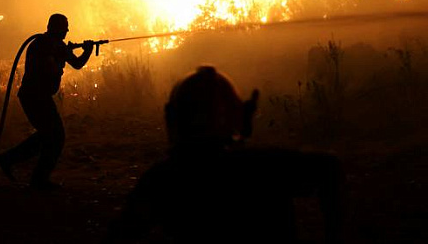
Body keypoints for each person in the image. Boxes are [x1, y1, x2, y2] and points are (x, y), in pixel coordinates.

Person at [105, 66, 344, 243]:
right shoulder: (265, 166)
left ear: (173, 118)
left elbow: (123, 232)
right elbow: (329, 167)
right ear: (236, 116)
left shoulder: (163, 179)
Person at [0, 13, 94, 190]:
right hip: (34, 96)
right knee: (56, 136)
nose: (67, 30)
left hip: (38, 96)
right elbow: (51, 70)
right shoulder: (43, 44)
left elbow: (78, 63)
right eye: (65, 26)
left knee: (48, 135)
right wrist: (63, 58)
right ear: (55, 27)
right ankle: (37, 179)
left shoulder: (57, 45)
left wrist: (86, 51)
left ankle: (9, 160)